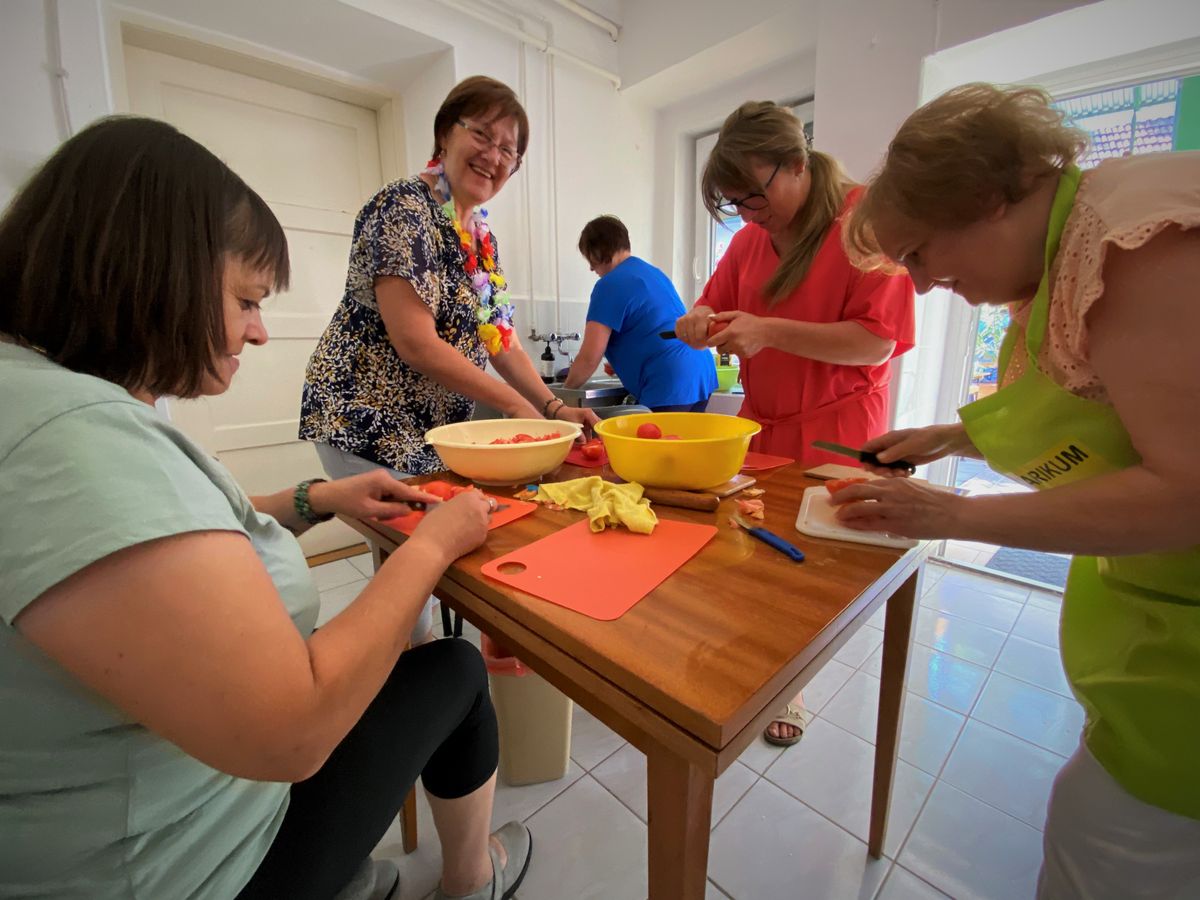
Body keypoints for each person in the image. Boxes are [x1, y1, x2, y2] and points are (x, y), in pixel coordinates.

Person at [0, 116, 531, 900]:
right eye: (247, 299)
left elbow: (160, 529)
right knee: (451, 667)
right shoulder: (68, 442)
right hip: (182, 870)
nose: (257, 331)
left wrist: (314, 498)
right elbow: (296, 733)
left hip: (173, 800)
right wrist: (433, 546)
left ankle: (355, 872)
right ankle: (469, 880)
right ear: (152, 274)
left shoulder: (55, 403)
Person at [839, 83, 1200, 899]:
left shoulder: (1130, 241)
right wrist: (951, 435)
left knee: (1107, 846)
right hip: (1158, 623)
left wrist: (957, 514)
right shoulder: (1066, 252)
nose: (923, 284)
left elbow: (1188, 489)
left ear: (985, 199)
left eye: (920, 255)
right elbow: (1105, 400)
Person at [300, 76, 596, 644]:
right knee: (414, 554)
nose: (494, 156)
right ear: (445, 132)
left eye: (510, 149)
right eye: (482, 134)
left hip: (425, 427)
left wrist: (553, 406)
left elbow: (501, 340)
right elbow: (414, 340)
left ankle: (422, 671)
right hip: (363, 415)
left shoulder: (479, 236)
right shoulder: (403, 208)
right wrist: (513, 406)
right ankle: (410, 679)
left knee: (419, 556)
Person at [675, 101, 915, 746]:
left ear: (798, 162)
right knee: (756, 548)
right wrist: (698, 318)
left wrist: (768, 330)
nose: (750, 214)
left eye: (757, 195)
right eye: (736, 204)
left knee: (820, 563)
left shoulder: (864, 220)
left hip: (839, 423)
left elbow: (875, 343)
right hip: (763, 421)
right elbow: (713, 299)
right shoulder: (752, 237)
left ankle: (792, 679)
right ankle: (765, 662)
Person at [563, 215, 717, 411]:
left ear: (597, 251)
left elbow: (589, 358)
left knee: (656, 442)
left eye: (589, 258)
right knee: (684, 441)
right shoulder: (653, 273)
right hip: (700, 372)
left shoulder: (609, 284)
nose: (591, 267)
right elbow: (652, 326)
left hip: (669, 380)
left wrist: (561, 398)